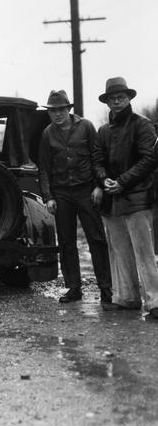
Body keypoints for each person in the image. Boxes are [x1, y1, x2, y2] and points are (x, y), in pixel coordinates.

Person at [91, 77, 158, 318]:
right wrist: (104, 180)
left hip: (138, 198)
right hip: (113, 200)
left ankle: (155, 301)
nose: (117, 101)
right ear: (107, 102)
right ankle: (127, 298)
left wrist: (122, 182)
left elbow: (150, 159)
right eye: (112, 98)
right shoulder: (103, 131)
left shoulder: (143, 125)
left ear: (129, 98)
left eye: (121, 97)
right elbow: (97, 161)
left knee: (144, 252)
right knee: (119, 251)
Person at [38, 89, 112, 304]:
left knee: (96, 239)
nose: (57, 114)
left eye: (61, 110)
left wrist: (99, 186)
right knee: (67, 242)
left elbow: (98, 158)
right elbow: (44, 167)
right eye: (52, 111)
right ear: (49, 113)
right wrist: (48, 196)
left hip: (86, 191)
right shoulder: (47, 134)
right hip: (61, 194)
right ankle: (73, 288)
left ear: (68, 109)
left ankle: (106, 289)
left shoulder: (86, 126)